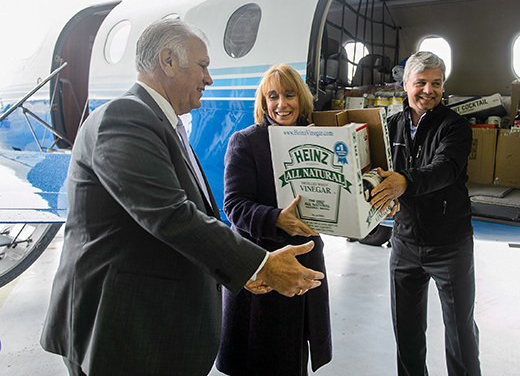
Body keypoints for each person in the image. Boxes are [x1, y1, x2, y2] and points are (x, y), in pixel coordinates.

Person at [40, 20, 325, 376]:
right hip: (121, 328)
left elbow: (193, 214)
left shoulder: (164, 124)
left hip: (147, 324)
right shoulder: (125, 117)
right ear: (168, 61)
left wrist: (235, 271)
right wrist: (259, 263)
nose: (209, 79)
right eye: (203, 66)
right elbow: (171, 216)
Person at [369, 51, 481, 376]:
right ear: (405, 84)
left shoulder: (456, 127)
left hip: (450, 245)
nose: (428, 90)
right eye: (421, 82)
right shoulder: (391, 126)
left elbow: (444, 170)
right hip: (404, 244)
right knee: (407, 337)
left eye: (436, 83)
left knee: (461, 336)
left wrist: (404, 182)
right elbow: (376, 171)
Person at [215, 64, 332, 375]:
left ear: (302, 98)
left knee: (294, 358)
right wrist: (277, 219)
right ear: (263, 103)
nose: (282, 104)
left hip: (305, 260)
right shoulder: (246, 142)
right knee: (261, 358)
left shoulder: (319, 138)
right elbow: (234, 206)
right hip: (262, 263)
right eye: (273, 96)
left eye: (289, 95)